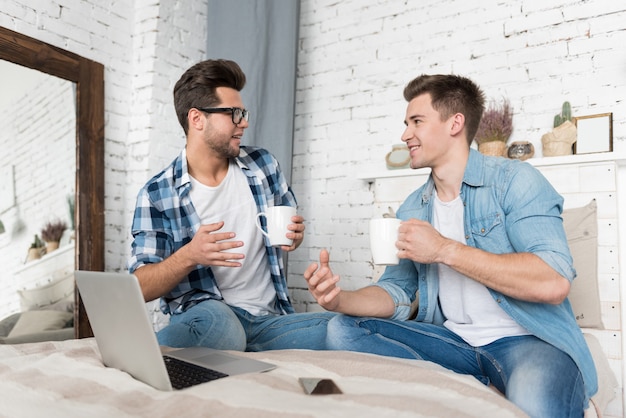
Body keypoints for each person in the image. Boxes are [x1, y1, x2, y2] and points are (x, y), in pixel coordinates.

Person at [304, 74, 597, 417]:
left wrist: (445, 249)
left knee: (534, 405)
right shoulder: (413, 207)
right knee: (343, 329)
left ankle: (475, 387)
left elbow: (554, 281)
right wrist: (340, 299)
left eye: (416, 121)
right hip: (455, 344)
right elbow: (396, 290)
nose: (405, 134)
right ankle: (474, 386)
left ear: (455, 123)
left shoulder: (514, 181)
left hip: (531, 342)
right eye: (406, 123)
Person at [128, 59, 333, 352]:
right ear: (197, 119)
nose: (244, 122)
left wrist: (294, 237)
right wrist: (190, 255)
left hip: (268, 320)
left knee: (338, 327)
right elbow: (139, 286)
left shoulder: (263, 165)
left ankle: (235, 350)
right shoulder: (157, 194)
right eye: (234, 114)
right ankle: (136, 354)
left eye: (244, 113)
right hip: (209, 314)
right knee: (222, 326)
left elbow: (288, 232)